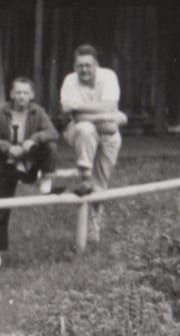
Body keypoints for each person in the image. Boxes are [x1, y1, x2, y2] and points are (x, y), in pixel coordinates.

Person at [0, 76, 59, 269]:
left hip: (29, 162)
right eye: (18, 92)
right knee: (0, 210)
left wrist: (33, 139)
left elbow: (52, 132)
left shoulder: (37, 112)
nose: (21, 97)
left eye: (25, 93)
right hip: (7, 165)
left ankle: (46, 181)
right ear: (11, 94)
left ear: (31, 95)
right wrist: (7, 148)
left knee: (50, 146)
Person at [60, 44, 126, 239]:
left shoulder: (109, 76)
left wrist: (85, 111)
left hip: (109, 135)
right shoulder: (70, 81)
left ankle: (93, 230)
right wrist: (111, 118)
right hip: (80, 133)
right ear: (74, 66)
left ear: (96, 65)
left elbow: (110, 104)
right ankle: (84, 176)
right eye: (80, 66)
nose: (84, 70)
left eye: (88, 65)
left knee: (100, 185)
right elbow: (73, 115)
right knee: (85, 128)